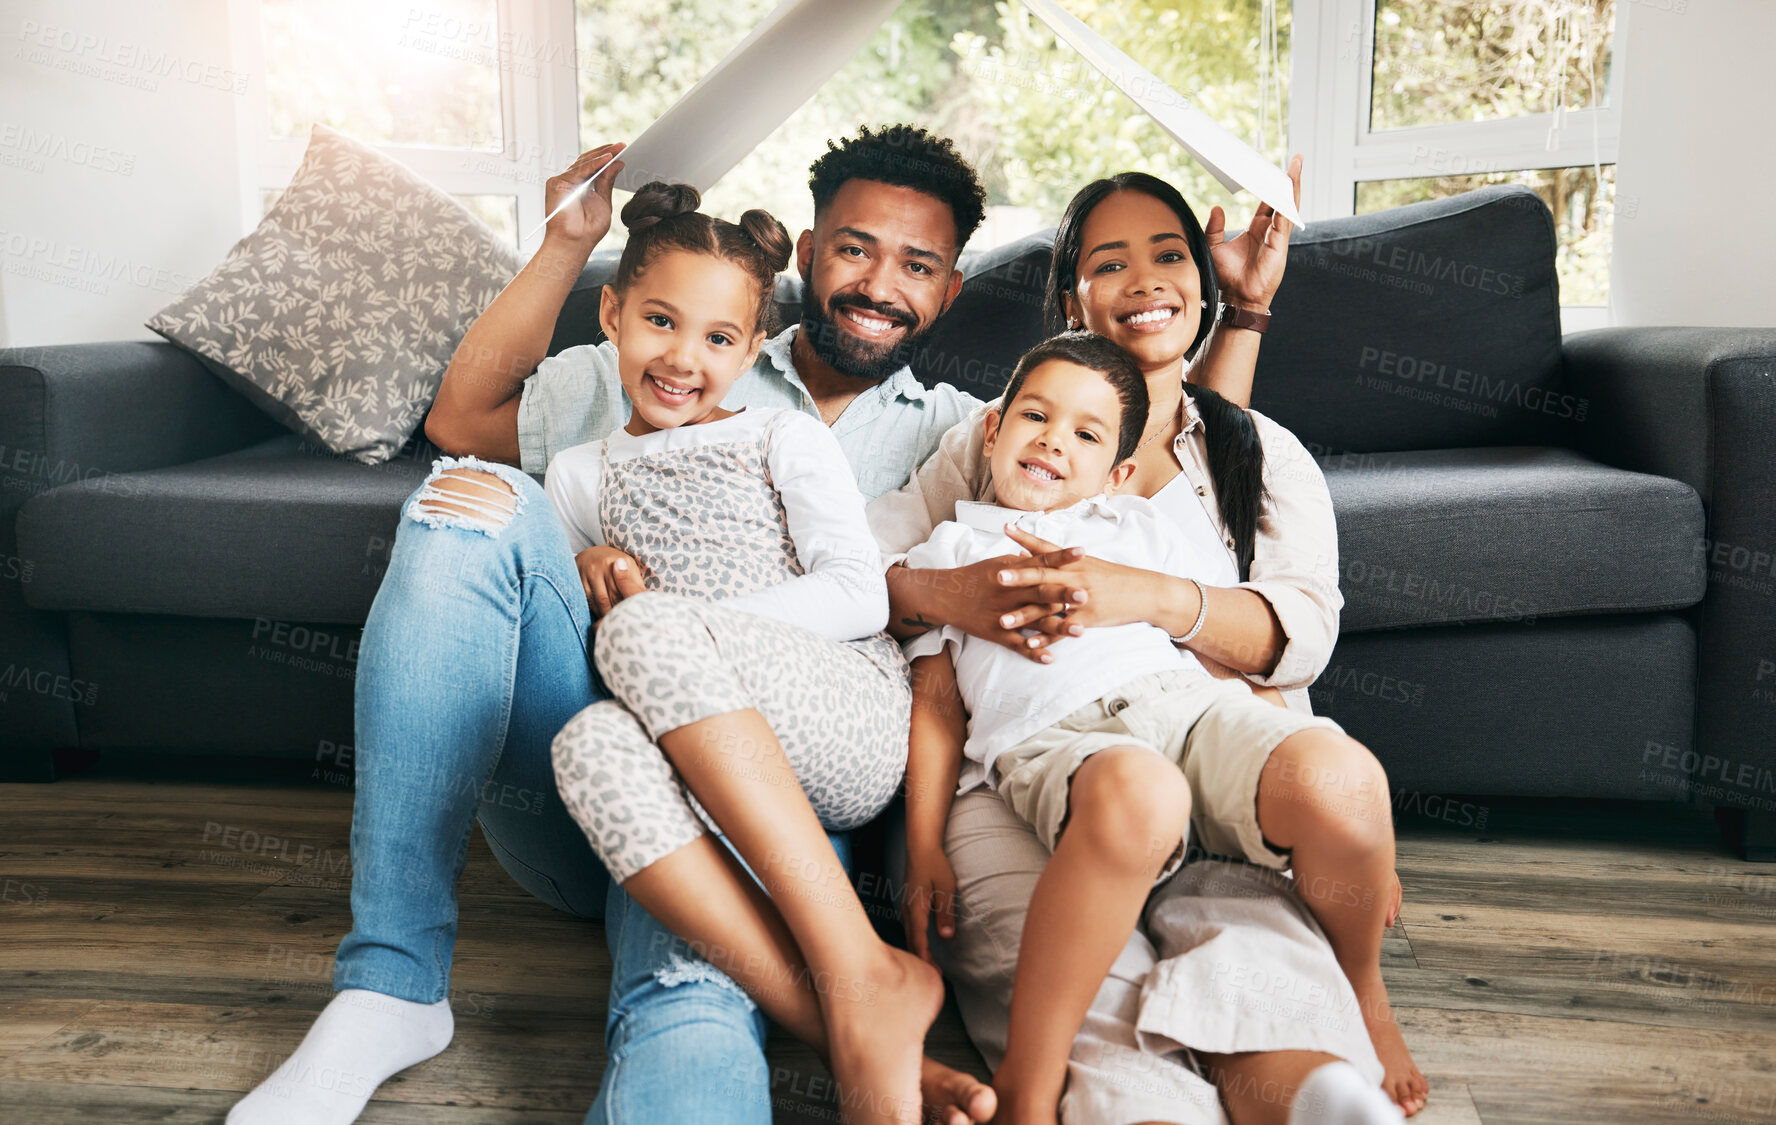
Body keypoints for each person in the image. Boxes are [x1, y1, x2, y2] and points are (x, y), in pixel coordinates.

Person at [227, 126, 1000, 1125]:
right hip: (590, 759)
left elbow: (1121, 480)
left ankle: (835, 1007)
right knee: (467, 498)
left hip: (777, 794)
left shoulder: (963, 428)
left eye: (917, 264)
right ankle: (389, 982)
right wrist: (562, 243)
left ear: (951, 289)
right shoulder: (634, 363)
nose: (878, 281)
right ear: (806, 252)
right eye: (855, 247)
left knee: (688, 994)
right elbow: (461, 421)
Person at [874, 164, 1432, 1123]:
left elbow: (1288, 632)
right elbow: (878, 581)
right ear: (1070, 297)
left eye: (1170, 256)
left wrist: (1140, 597)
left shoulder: (1238, 457)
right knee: (1096, 1000)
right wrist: (951, 596)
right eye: (1110, 261)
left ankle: (1321, 1086)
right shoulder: (988, 450)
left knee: (1259, 951)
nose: (1144, 279)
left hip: (1195, 732)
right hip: (1026, 761)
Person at [541, 178, 952, 1123]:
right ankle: (836, 1015)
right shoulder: (578, 472)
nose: (684, 358)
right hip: (704, 753)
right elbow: (573, 622)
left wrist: (693, 629)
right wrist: (587, 564)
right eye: (658, 321)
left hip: (838, 718)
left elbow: (858, 594)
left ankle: (855, 963)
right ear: (611, 313)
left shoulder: (782, 432)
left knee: (645, 628)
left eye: (720, 339)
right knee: (588, 750)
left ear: (751, 345)